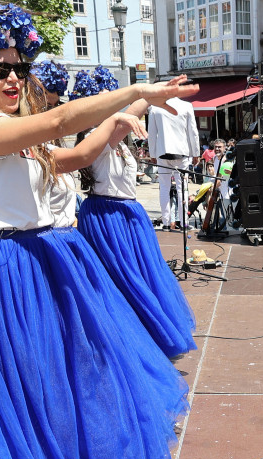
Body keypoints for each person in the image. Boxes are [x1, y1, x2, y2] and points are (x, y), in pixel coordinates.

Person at [0, 3, 197, 459]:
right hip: (1, 269)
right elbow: (61, 121)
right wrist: (136, 93)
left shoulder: (14, 134)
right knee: (27, 381)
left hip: (35, 260)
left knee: (62, 372)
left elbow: (76, 154)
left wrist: (115, 120)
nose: (14, 78)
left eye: (19, 67)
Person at [69, 68, 197, 359]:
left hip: (126, 214)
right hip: (108, 217)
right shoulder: (98, 134)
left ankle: (145, 335)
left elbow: (128, 119)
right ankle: (135, 338)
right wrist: (149, 95)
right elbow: (129, 117)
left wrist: (152, 94)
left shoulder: (112, 134)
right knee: (124, 279)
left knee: (140, 275)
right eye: (105, 100)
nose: (113, 105)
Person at [147, 95, 199, 229]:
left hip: (162, 152)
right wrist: (196, 152)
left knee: (164, 188)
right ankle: (184, 222)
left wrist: (152, 153)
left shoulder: (154, 107)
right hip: (182, 152)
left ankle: (166, 222)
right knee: (183, 188)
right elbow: (193, 132)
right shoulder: (186, 106)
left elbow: (151, 133)